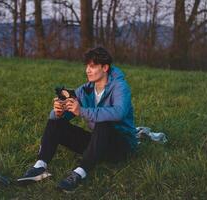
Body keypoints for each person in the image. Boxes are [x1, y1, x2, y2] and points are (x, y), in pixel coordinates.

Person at [17, 47, 138, 192]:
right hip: (97, 143)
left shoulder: (120, 86)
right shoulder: (85, 89)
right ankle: (40, 166)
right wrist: (58, 111)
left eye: (92, 66)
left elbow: (119, 112)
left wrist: (82, 111)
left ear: (105, 67)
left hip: (121, 147)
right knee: (56, 122)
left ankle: (80, 172)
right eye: (87, 66)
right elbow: (60, 117)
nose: (87, 70)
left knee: (103, 122)